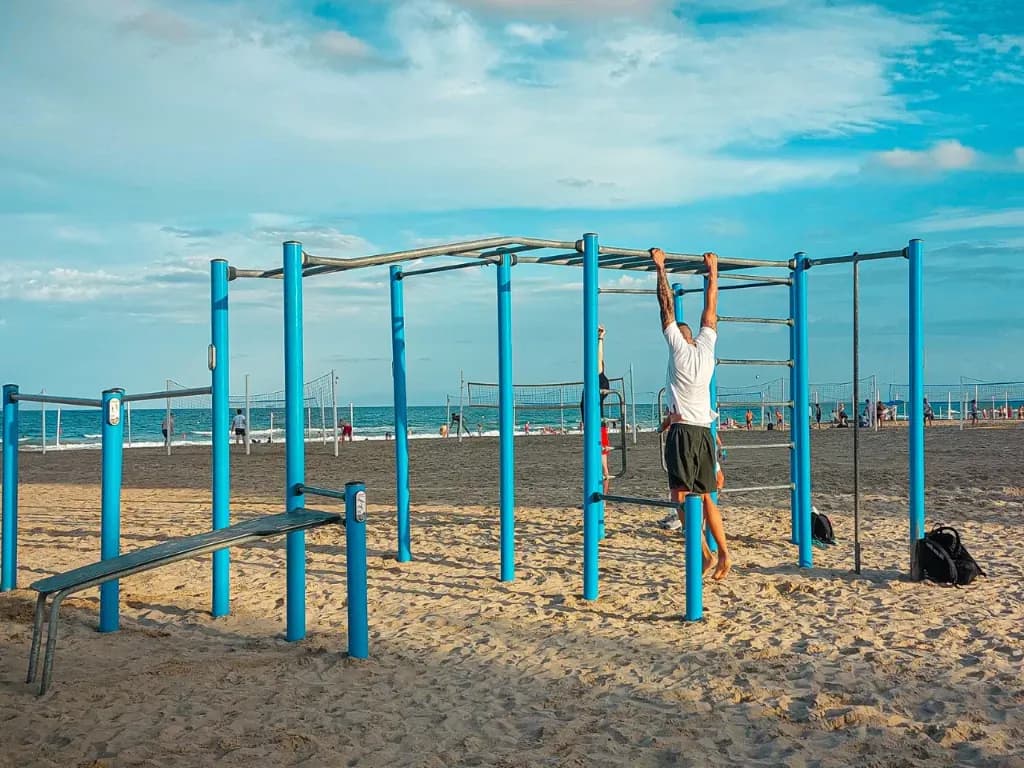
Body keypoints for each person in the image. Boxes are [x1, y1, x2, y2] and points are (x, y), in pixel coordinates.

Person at [650, 248, 730, 580]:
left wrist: (660, 268)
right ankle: (725, 553)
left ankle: (703, 552)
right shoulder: (707, 347)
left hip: (684, 434)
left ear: (678, 337)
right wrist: (714, 270)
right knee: (708, 497)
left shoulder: (679, 349)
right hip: (703, 432)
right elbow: (711, 307)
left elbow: (665, 306)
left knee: (680, 496)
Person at [579, 325, 612, 494]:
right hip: (594, 424)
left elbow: (598, 360)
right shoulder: (593, 382)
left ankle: (602, 496)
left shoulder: (598, 377)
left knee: (599, 463)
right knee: (598, 462)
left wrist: (600, 339)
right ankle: (600, 496)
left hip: (596, 425)